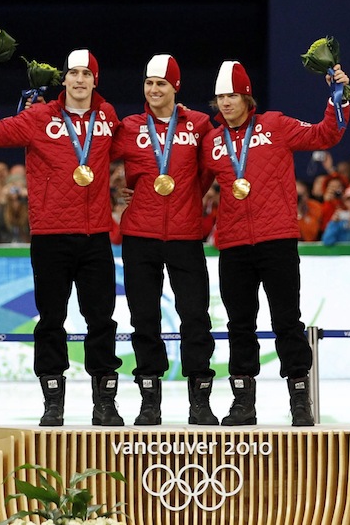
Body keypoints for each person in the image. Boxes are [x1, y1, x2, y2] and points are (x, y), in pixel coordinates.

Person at [0, 50, 125, 426]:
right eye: (73, 73)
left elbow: (133, 150)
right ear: (65, 80)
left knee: (101, 320)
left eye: (86, 73)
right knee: (51, 320)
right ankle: (53, 400)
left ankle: (104, 402)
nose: (79, 79)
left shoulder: (108, 117)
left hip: (95, 236)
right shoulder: (40, 117)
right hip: (52, 236)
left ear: (95, 81)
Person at [201, 60, 350, 426]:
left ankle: (300, 400)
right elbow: (191, 187)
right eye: (220, 96)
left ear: (247, 96)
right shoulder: (211, 144)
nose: (225, 103)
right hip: (233, 244)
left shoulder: (276, 126)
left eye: (232, 95)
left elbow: (324, 135)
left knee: (287, 321)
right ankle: (242, 402)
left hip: (277, 240)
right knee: (239, 324)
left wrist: (337, 98)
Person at [112, 55, 217, 425]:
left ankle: (200, 400)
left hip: (186, 234)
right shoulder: (129, 127)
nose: (154, 90)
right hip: (140, 234)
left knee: (195, 317)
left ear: (176, 87)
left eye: (161, 83)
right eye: (149, 83)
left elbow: (209, 170)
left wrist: (188, 197)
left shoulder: (201, 124)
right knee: (144, 318)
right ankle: (149, 399)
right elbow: (94, 155)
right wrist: (128, 192)